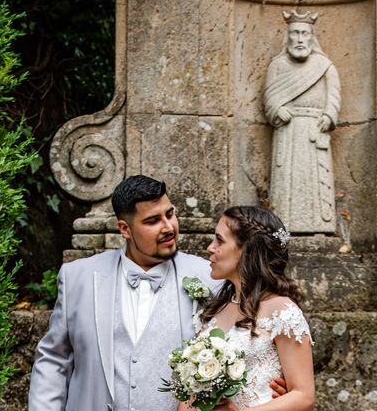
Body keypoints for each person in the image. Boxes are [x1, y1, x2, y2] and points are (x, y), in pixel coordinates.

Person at [28, 175, 286, 410]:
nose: (168, 227)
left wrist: (264, 392)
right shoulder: (78, 277)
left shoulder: (212, 279)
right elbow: (54, 360)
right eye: (152, 220)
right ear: (125, 229)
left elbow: (254, 339)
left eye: (170, 214)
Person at [180, 206, 315, 411]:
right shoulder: (213, 310)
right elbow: (191, 394)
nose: (210, 247)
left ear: (247, 249)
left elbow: (303, 396)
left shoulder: (282, 312)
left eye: (220, 240)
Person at [263, 10, 341, 233]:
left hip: (314, 131)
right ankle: (283, 225)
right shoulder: (277, 66)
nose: (299, 39)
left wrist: (328, 116)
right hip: (288, 132)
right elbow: (269, 98)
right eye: (295, 33)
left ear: (311, 37)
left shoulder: (325, 66)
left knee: (316, 181)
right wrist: (277, 109)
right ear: (287, 37)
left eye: (304, 33)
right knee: (287, 180)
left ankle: (320, 225)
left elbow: (334, 98)